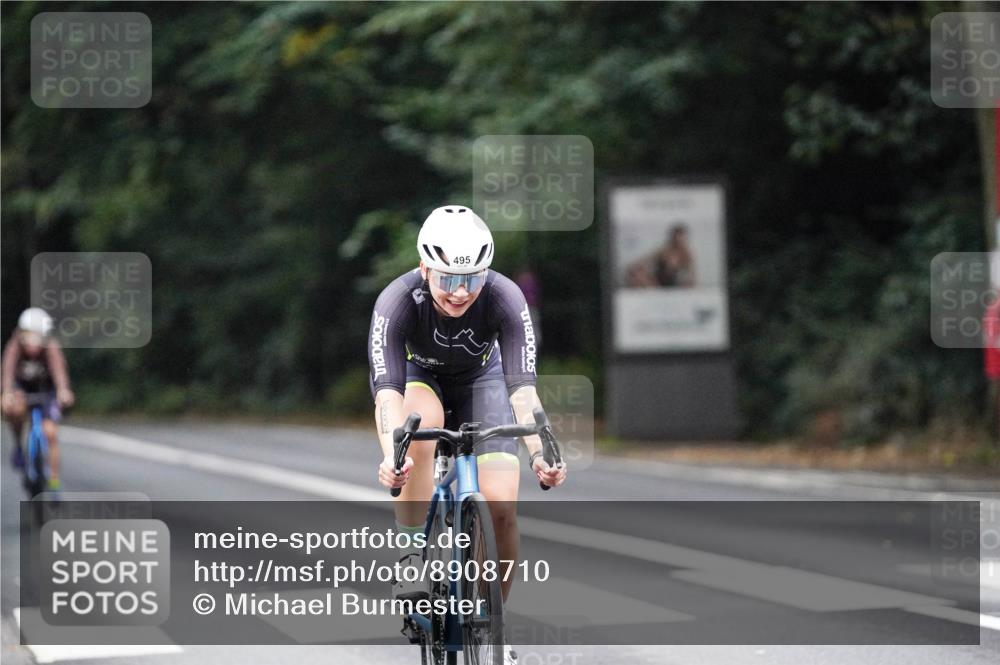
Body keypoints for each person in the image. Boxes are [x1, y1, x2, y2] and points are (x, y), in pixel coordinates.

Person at [368, 206, 567, 665]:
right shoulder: (396, 302)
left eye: (472, 279)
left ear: (487, 273)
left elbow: (523, 390)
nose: (460, 292)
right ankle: (412, 550)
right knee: (417, 430)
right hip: (421, 381)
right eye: (447, 279)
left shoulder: (504, 296)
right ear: (424, 268)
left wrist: (541, 452)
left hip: (486, 382)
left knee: (501, 504)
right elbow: (388, 398)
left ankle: (491, 626)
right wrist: (392, 457)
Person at [1, 307, 74, 489]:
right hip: (22, 390)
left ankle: (54, 480)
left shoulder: (51, 347)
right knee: (13, 409)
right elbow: (8, 371)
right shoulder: (14, 347)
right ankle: (18, 444)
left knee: (50, 432)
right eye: (29, 337)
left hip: (46, 391)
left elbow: (58, 371)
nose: (33, 343)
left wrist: (63, 390)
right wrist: (7, 392)